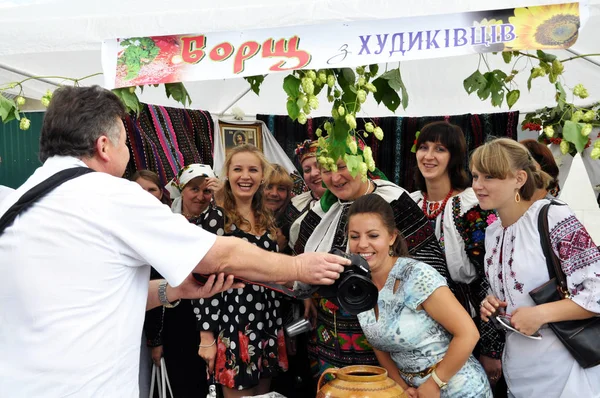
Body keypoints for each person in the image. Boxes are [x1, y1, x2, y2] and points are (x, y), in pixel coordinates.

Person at [0, 85, 350, 397]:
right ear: (104, 146)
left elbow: (88, 297)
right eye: (124, 140)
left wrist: (173, 291)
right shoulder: (109, 195)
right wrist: (299, 266)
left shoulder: (13, 200)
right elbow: (219, 256)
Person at [291, 136, 456, 380]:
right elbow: (302, 262)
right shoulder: (322, 211)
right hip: (331, 339)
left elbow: (430, 266)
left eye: (342, 166)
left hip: (384, 339)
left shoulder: (394, 202)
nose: (334, 178)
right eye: (327, 169)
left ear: (362, 163)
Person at [473, 138, 600, 398]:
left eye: (489, 177)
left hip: (568, 367)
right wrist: (494, 304)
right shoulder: (493, 232)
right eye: (475, 176)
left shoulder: (553, 216)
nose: (478, 185)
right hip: (521, 370)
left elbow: (596, 290)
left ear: (519, 178)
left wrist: (540, 314)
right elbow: (513, 292)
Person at [349, 194, 492, 397]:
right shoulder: (358, 284)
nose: (362, 244)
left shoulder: (416, 275)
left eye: (373, 235)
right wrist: (401, 388)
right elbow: (379, 346)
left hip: (459, 388)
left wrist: (435, 383)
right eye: (354, 236)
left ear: (391, 237)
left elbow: (468, 333)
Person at [409, 121, 504, 388]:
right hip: (417, 327)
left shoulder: (472, 207)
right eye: (423, 147)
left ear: (454, 156)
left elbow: (490, 281)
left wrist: (490, 348)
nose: (428, 156)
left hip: (465, 324)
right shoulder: (409, 203)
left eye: (439, 149)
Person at [194, 144, 288, 398]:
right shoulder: (216, 218)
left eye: (252, 170)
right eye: (238, 169)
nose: (245, 176)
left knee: (264, 396)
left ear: (262, 177)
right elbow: (200, 282)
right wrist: (207, 337)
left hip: (266, 320)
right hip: (232, 322)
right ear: (228, 174)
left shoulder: (266, 216)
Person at [264, 163, 294, 250]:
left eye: (281, 189)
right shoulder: (244, 221)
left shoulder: (293, 224)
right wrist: (276, 248)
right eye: (268, 187)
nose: (274, 193)